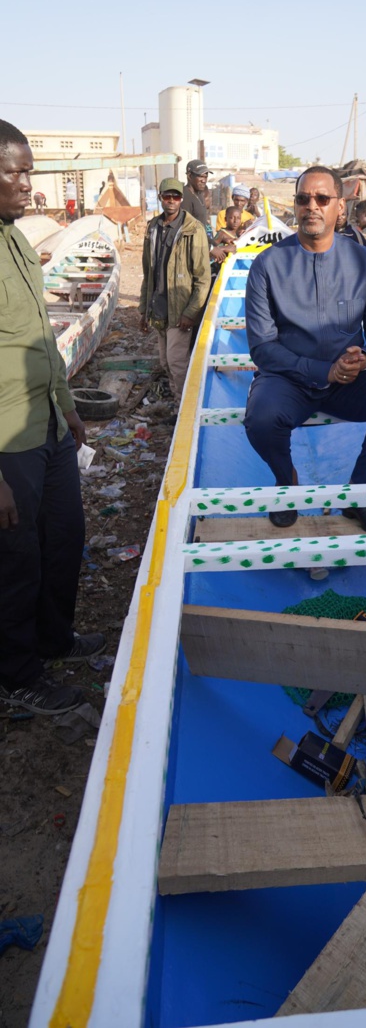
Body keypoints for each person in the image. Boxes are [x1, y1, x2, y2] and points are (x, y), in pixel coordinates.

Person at [243, 165, 366, 535]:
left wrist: (365, 358)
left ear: (339, 207)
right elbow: (262, 348)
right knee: (260, 418)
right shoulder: (267, 265)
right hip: (289, 380)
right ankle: (286, 481)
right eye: (304, 198)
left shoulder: (364, 263)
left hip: (349, 379)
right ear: (295, 205)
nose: (312, 206)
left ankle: (361, 492)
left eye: (322, 199)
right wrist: (322, 371)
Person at [0, 120, 104, 715]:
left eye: (28, 170)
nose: (27, 184)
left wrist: (67, 407)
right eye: (14, 171)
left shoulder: (16, 238)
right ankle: (16, 675)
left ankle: (53, 638)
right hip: (6, 439)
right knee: (15, 560)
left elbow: (41, 331)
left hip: (46, 421)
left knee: (63, 536)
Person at [139, 178, 211, 403]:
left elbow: (202, 277)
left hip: (179, 310)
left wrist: (191, 312)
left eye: (176, 197)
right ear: (160, 197)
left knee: (177, 363)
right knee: (165, 363)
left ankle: (186, 408)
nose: (171, 201)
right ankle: (179, 407)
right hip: (158, 308)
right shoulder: (153, 228)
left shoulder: (193, 230)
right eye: (167, 196)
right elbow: (148, 273)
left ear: (181, 199)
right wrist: (143, 310)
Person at [181, 159, 211, 233]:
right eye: (201, 176)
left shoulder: (199, 193)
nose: (204, 180)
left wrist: (214, 242)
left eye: (205, 177)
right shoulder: (185, 196)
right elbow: (186, 228)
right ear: (190, 176)